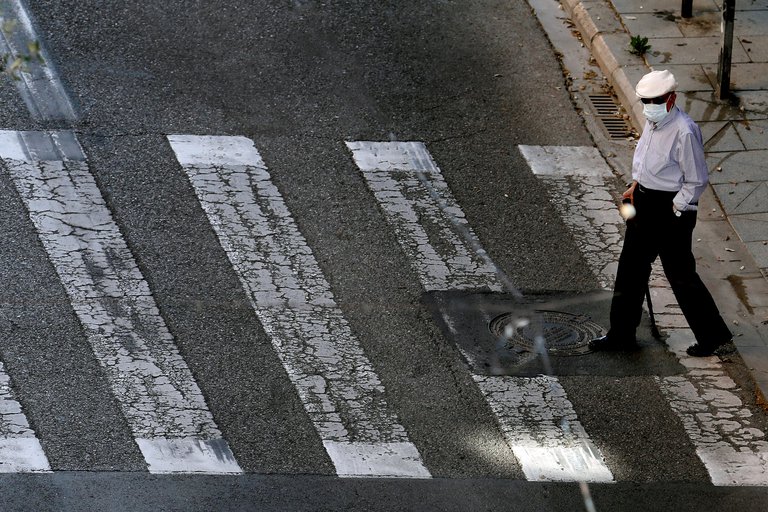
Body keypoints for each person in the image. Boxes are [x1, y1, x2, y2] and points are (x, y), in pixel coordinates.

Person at [589, 69, 732, 357]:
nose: (648, 106)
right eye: (645, 100)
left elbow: (696, 180)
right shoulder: (654, 122)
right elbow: (646, 158)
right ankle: (621, 335)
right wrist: (635, 185)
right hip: (644, 201)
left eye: (655, 100)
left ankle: (712, 335)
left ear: (671, 98)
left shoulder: (684, 130)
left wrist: (674, 208)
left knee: (680, 275)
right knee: (630, 271)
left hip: (670, 210)